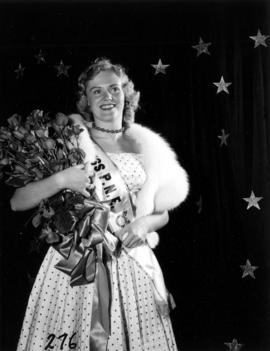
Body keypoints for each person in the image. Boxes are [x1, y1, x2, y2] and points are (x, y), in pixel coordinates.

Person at [12, 58, 189, 351]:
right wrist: (61, 180)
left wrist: (143, 223)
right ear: (85, 100)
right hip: (78, 263)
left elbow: (163, 213)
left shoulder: (145, 146)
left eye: (114, 89)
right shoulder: (70, 140)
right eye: (97, 91)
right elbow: (18, 202)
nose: (107, 97)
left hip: (132, 262)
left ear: (126, 94)